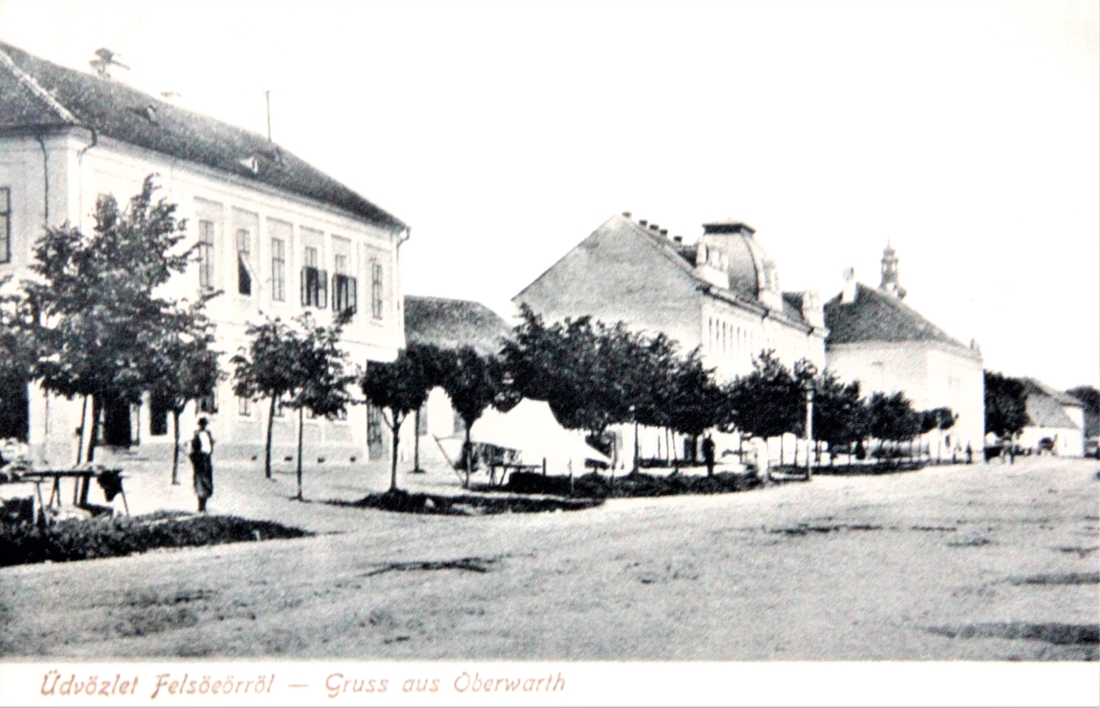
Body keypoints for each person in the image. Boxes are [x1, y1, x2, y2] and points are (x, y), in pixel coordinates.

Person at [190, 417, 215, 512]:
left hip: (207, 459)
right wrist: (195, 459)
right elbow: (193, 448)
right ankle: (200, 505)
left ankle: (204, 504)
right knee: (200, 481)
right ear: (199, 425)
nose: (203, 426)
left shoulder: (208, 434)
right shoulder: (196, 434)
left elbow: (211, 445)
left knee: (207, 481)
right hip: (199, 459)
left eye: (205, 424)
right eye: (202, 424)